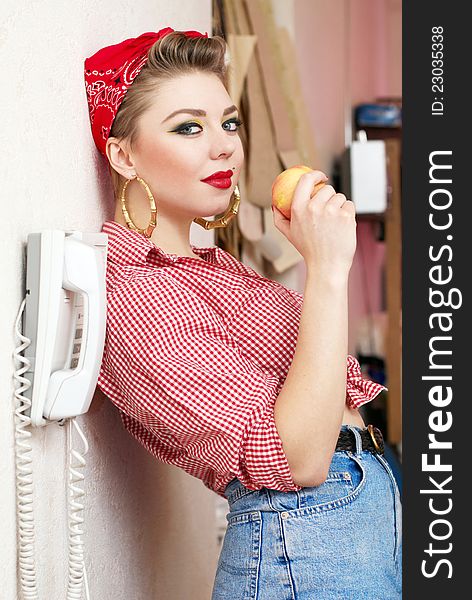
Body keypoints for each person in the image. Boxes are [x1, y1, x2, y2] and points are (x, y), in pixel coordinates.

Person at [84, 27, 402, 599]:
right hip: (303, 540)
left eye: (229, 123)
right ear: (124, 155)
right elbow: (298, 458)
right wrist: (328, 270)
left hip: (351, 523)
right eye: (189, 127)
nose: (225, 145)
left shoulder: (219, 269)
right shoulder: (132, 289)